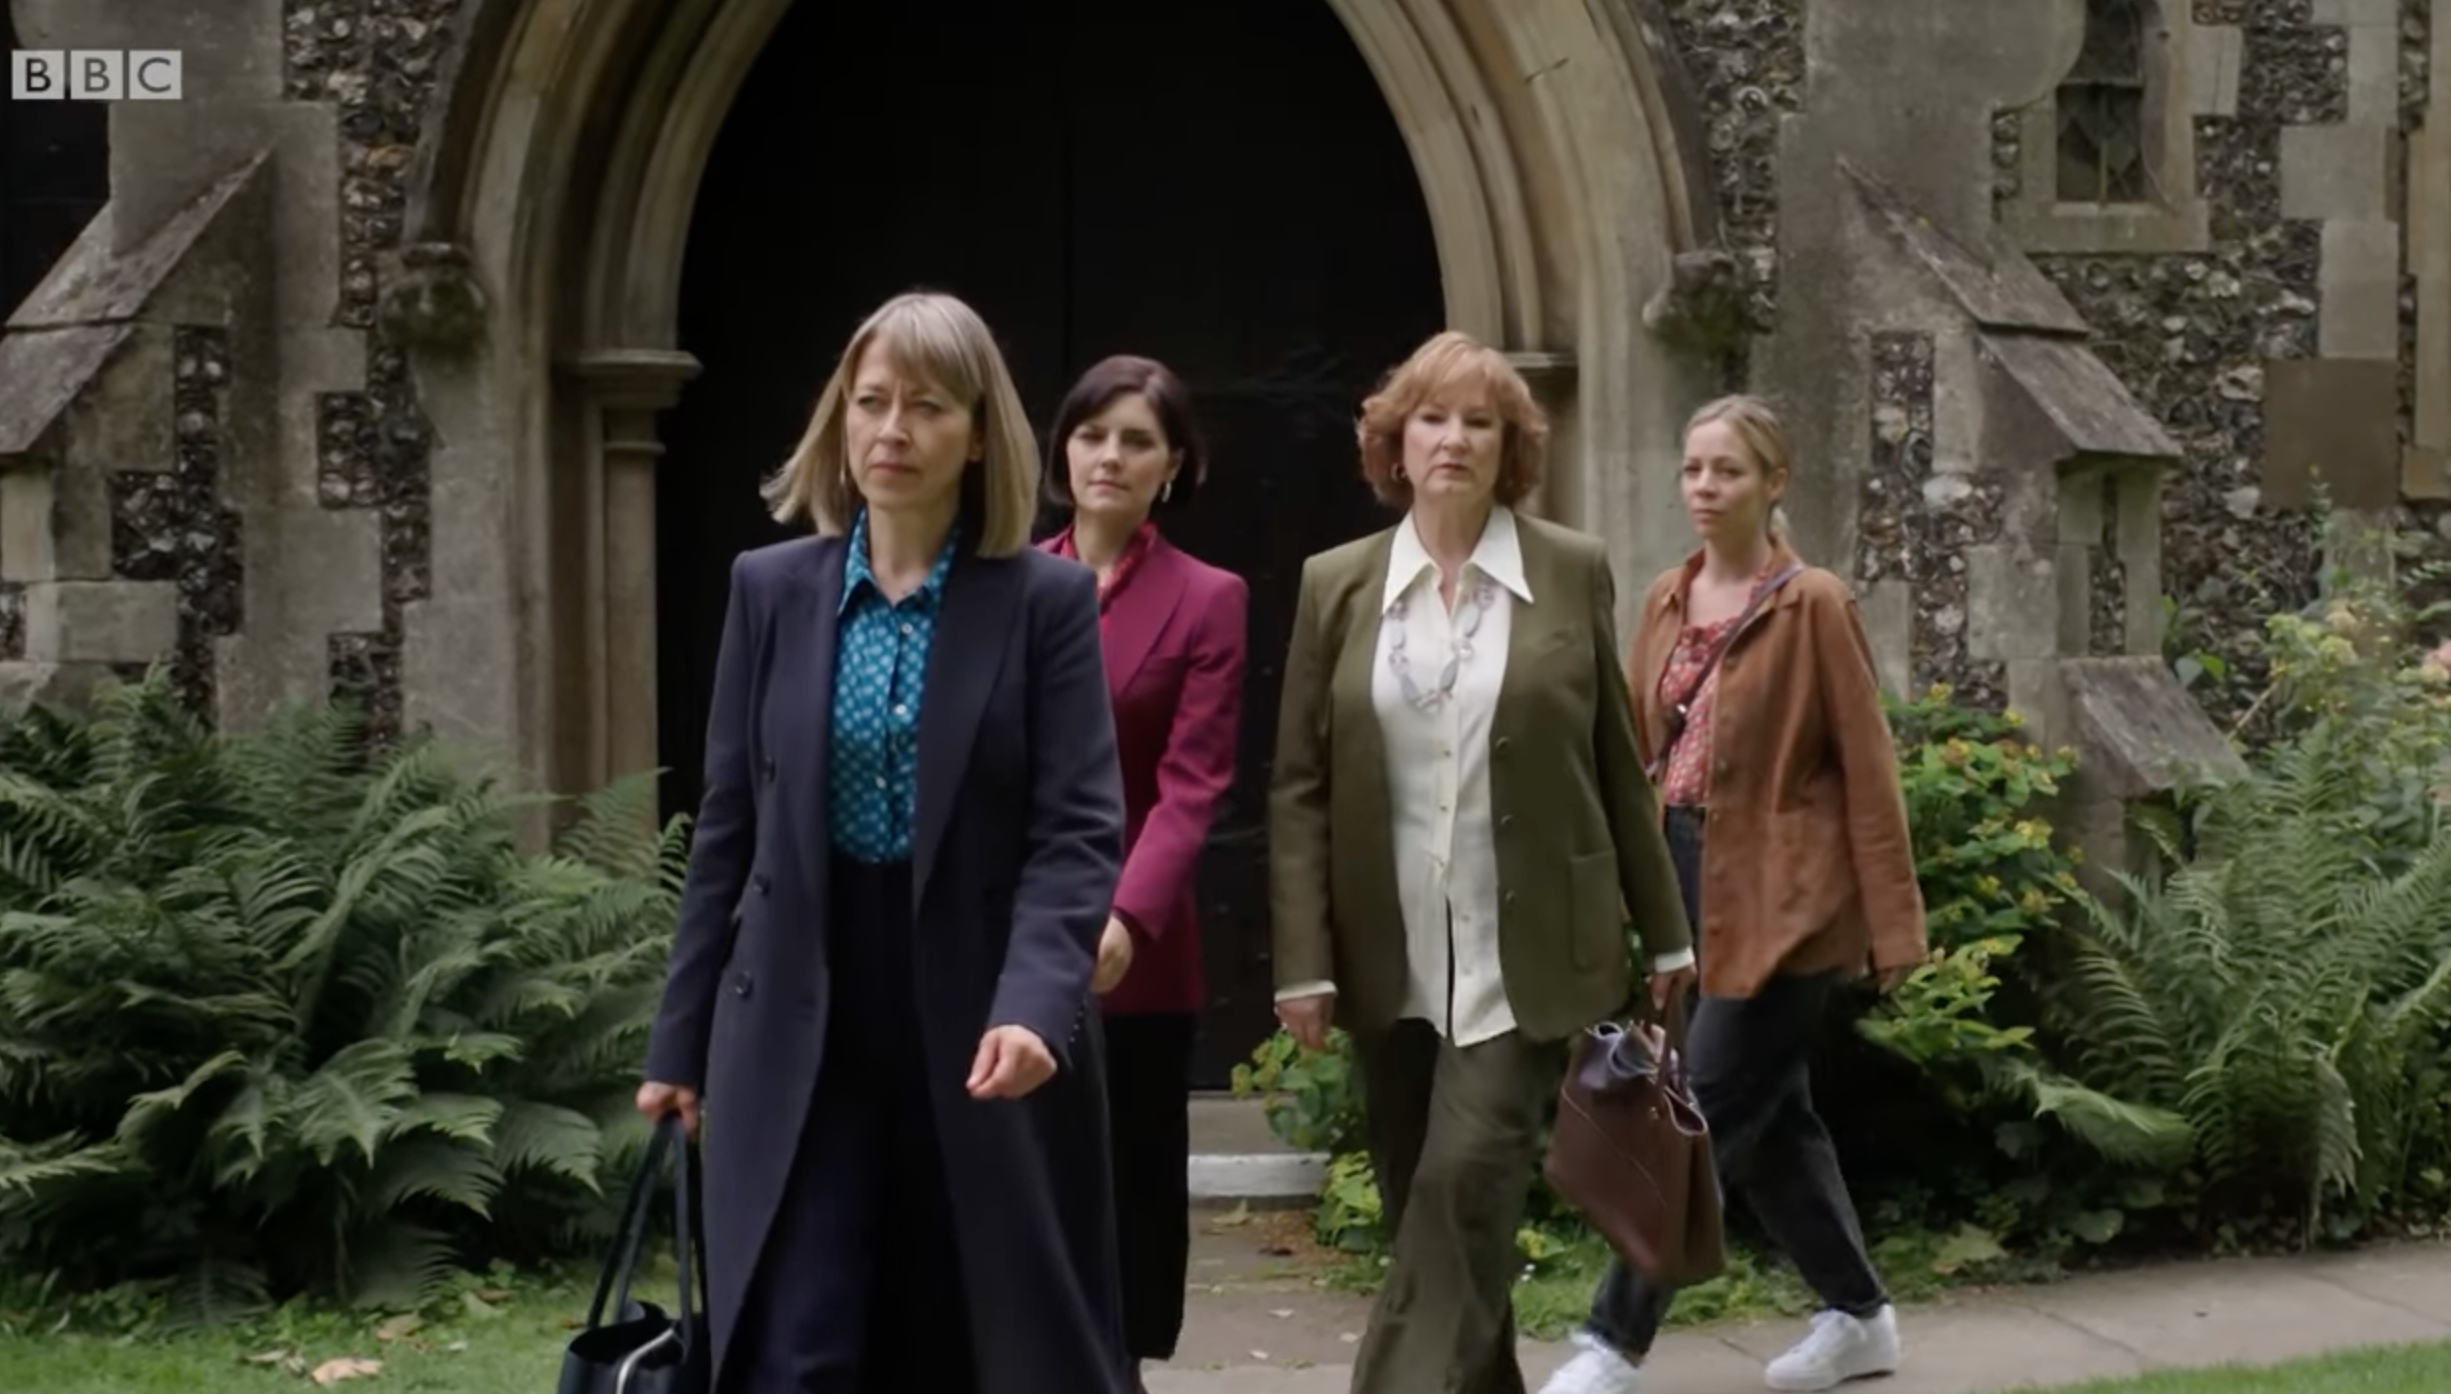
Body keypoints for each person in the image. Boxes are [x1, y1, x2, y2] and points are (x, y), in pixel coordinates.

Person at [635, 290, 1132, 1394]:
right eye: (870, 402)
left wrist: (1035, 1002)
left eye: (927, 406)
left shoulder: (1045, 601)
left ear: (978, 436)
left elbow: (1076, 829)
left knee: (973, 1335)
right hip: (799, 1014)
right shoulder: (770, 590)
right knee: (799, 1338)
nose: (892, 430)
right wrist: (679, 1044)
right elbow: (728, 827)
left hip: (981, 1019)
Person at [1267, 329, 1695, 1394]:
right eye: (1431, 418)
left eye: (1479, 421)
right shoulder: (1336, 584)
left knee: (1461, 1182)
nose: (1453, 439)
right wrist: (1302, 960)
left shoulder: (1569, 568)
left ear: (1511, 447)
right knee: (1435, 1211)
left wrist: (1667, 933)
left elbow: (1615, 761)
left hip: (1528, 954)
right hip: (1389, 952)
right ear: (1393, 442)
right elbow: (1299, 785)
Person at [1537, 395, 1927, 1394]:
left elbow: (1869, 771)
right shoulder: (1666, 598)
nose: (1705, 487)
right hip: (1682, 872)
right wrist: (1619, 888)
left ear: (1773, 482)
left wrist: (1893, 924)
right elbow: (1637, 755)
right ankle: (1859, 1315)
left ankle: (1611, 1342)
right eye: (1693, 468)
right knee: (1775, 1121)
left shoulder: (1815, 604)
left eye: (1728, 470)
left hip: (1786, 893)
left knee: (1697, 1110)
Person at [1037, 355, 1249, 1390]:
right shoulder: (1002, 580)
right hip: (1007, 938)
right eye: (1092, 435)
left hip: (1135, 957)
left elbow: (1192, 783)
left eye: (1136, 440)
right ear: (1062, 450)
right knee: (1019, 1190)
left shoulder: (1208, 599)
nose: (1109, 457)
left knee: (1125, 1197)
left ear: (1172, 465)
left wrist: (1124, 915)